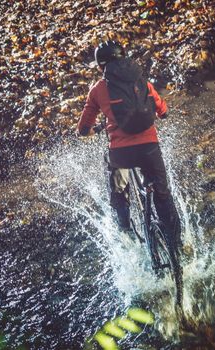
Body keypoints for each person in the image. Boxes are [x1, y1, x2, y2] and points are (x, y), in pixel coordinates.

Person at [76, 40, 181, 248]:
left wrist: (85, 132)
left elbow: (84, 125)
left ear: (100, 66)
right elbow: (163, 110)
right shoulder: (142, 81)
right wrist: (162, 113)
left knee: (118, 187)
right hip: (149, 148)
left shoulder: (98, 89)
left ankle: (125, 232)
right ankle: (176, 245)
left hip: (121, 152)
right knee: (162, 193)